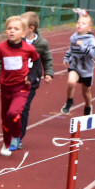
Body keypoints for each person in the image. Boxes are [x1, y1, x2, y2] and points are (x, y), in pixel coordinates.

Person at [0, 15, 38, 156]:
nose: (12, 31)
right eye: (9, 28)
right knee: (5, 117)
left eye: (16, 29)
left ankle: (16, 137)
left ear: (24, 33)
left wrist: (31, 77)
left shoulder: (29, 49)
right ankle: (6, 143)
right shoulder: (1, 48)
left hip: (21, 88)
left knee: (13, 113)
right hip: (6, 87)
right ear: (6, 31)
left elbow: (37, 63)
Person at [20, 11, 53, 143]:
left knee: (23, 108)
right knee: (11, 110)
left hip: (31, 81)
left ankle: (18, 137)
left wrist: (49, 73)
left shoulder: (41, 43)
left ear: (31, 28)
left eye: (21, 26)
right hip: (15, 80)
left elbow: (47, 59)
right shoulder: (16, 41)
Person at [60, 13, 95, 115]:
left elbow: (94, 54)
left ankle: (88, 105)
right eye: (78, 22)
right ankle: (69, 101)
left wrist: (83, 46)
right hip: (75, 66)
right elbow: (71, 49)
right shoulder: (73, 37)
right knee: (71, 82)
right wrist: (67, 57)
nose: (80, 24)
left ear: (89, 28)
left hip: (86, 70)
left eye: (83, 23)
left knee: (86, 93)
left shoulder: (91, 40)